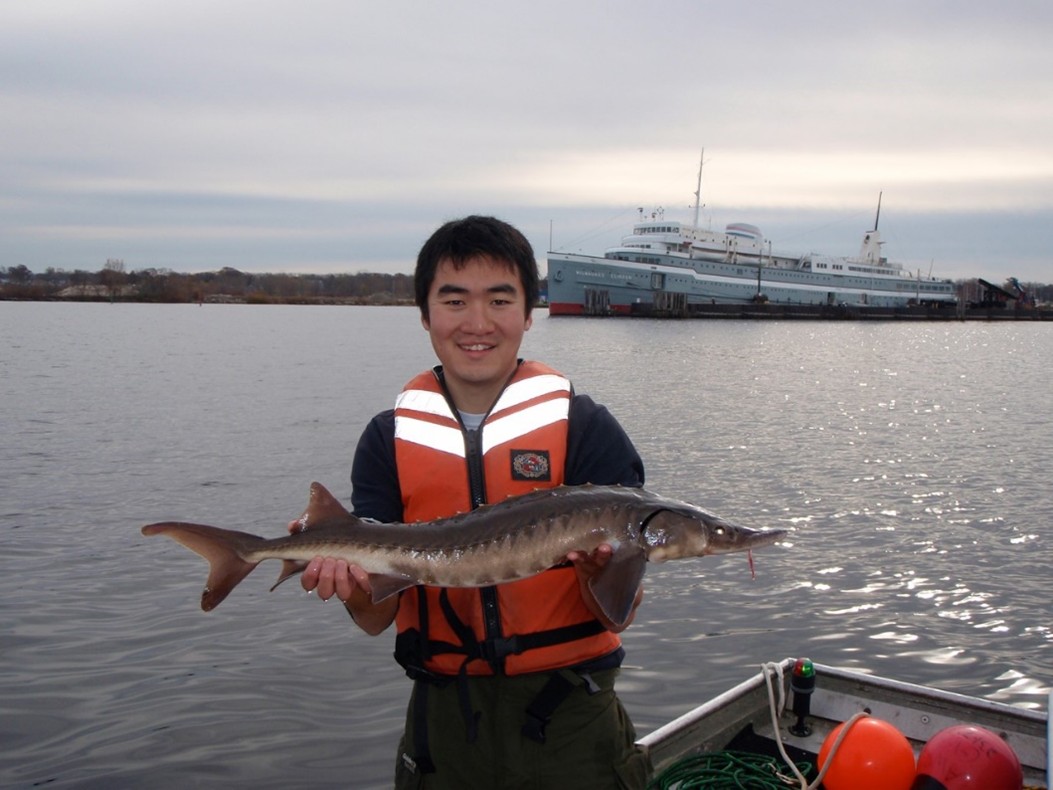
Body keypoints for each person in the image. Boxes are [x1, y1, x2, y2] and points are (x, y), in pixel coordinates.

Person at [297, 215, 650, 789]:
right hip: (444, 726)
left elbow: (621, 613)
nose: (477, 323)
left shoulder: (587, 429)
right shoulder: (388, 439)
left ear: (529, 313)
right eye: (455, 300)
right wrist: (345, 583)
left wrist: (598, 576)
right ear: (424, 314)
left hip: (572, 717)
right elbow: (374, 618)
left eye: (500, 300)